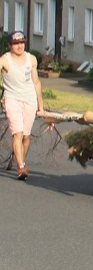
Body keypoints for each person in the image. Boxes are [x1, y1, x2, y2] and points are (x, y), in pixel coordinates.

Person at [1, 31, 44, 181]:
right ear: (10, 45)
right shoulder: (4, 61)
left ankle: (21, 160)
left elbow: (36, 83)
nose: (19, 46)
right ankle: (21, 167)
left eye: (22, 42)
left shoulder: (31, 59)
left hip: (30, 100)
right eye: (16, 43)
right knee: (17, 133)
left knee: (26, 137)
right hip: (12, 98)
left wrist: (41, 106)